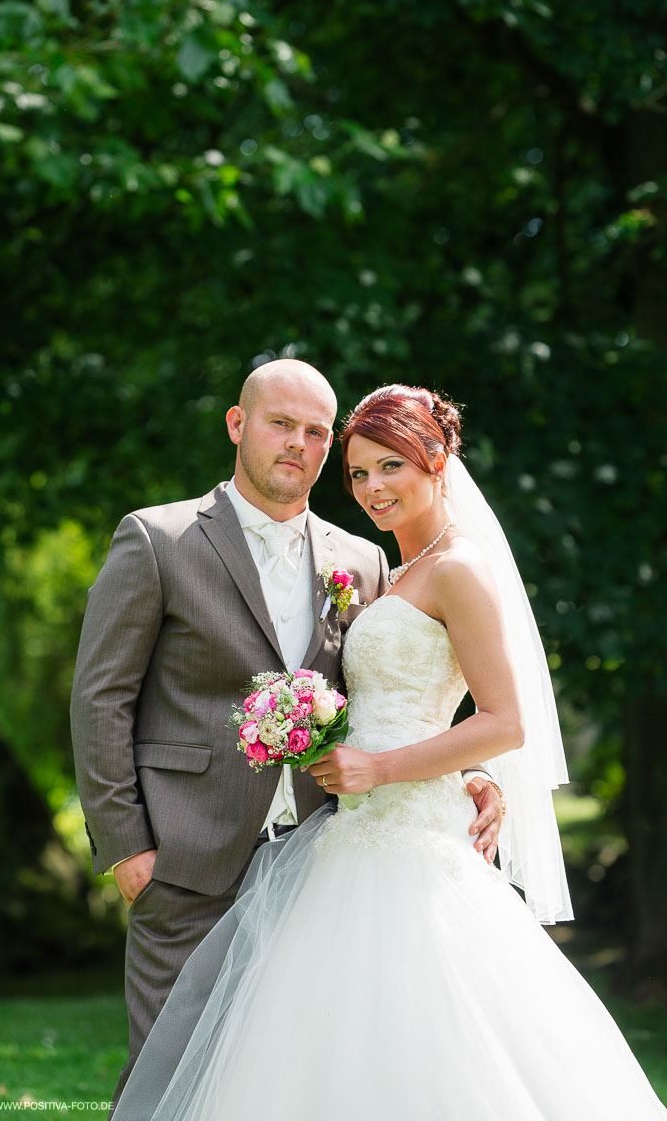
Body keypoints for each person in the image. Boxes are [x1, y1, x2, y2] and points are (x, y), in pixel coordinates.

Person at [111, 384, 667, 1121]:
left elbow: (504, 720)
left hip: (411, 843)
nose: (373, 489)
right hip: (343, 838)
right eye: (360, 474)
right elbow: (409, 700)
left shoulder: (461, 568)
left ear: (437, 461)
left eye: (391, 468)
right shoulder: (386, 571)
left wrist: (400, 769)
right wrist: (456, 767)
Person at [70, 362, 504, 1110]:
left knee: (293, 1083)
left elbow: (384, 695)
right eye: (280, 423)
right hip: (187, 862)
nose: (297, 443)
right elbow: (101, 697)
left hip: (324, 863)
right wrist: (129, 848)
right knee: (168, 1081)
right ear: (238, 426)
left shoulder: (363, 560)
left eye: (315, 432)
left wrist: (466, 772)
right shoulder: (158, 538)